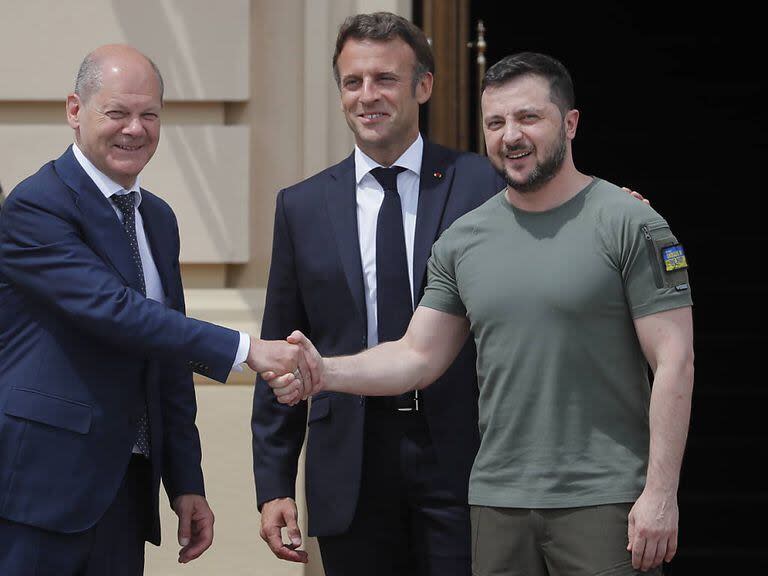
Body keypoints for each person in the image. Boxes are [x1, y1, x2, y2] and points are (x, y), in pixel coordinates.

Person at [269, 52, 695, 576]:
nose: (510, 135)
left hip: (603, 503)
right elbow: (416, 355)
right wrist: (326, 372)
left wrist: (660, 493)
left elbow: (675, 361)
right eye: (495, 123)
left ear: (570, 123)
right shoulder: (461, 241)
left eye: (528, 118)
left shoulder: (630, 223)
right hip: (496, 505)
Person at [0, 44, 301, 576]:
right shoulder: (36, 206)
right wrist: (246, 350)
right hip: (40, 494)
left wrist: (186, 482)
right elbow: (114, 312)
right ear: (75, 110)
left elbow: (165, 357)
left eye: (149, 115)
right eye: (117, 113)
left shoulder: (157, 218)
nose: (134, 129)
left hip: (125, 490)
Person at [250, 12, 506, 576]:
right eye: (352, 81)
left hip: (462, 458)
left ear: (424, 85)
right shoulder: (302, 206)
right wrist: (273, 484)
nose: (368, 96)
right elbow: (282, 347)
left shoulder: (482, 185)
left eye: (385, 79)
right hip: (349, 463)